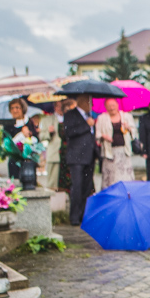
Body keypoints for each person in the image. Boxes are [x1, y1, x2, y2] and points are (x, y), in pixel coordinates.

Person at [63, 96, 96, 226]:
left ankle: (84, 214)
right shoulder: (71, 115)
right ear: (81, 101)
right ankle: (74, 216)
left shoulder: (91, 115)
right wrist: (86, 125)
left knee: (87, 188)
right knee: (77, 187)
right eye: (89, 101)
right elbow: (69, 132)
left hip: (90, 155)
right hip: (76, 157)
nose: (91, 104)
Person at [95, 97, 137, 188]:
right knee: (111, 179)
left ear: (117, 105)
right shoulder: (101, 118)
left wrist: (128, 128)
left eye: (113, 105)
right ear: (105, 107)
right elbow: (97, 134)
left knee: (125, 177)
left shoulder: (126, 117)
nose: (111, 108)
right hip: (109, 153)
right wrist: (104, 136)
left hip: (123, 152)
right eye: (109, 106)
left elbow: (134, 133)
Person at [3, 98, 38, 180]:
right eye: (12, 108)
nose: (15, 110)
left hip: (28, 159)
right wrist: (20, 135)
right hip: (14, 160)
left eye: (17, 107)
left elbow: (36, 139)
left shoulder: (29, 122)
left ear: (23, 108)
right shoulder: (8, 125)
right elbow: (6, 143)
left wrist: (29, 135)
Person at [40, 99, 68, 189]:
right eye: (58, 106)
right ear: (55, 107)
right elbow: (41, 136)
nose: (60, 108)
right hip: (54, 154)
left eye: (62, 106)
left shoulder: (70, 118)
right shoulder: (48, 120)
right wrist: (49, 132)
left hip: (68, 154)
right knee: (52, 182)